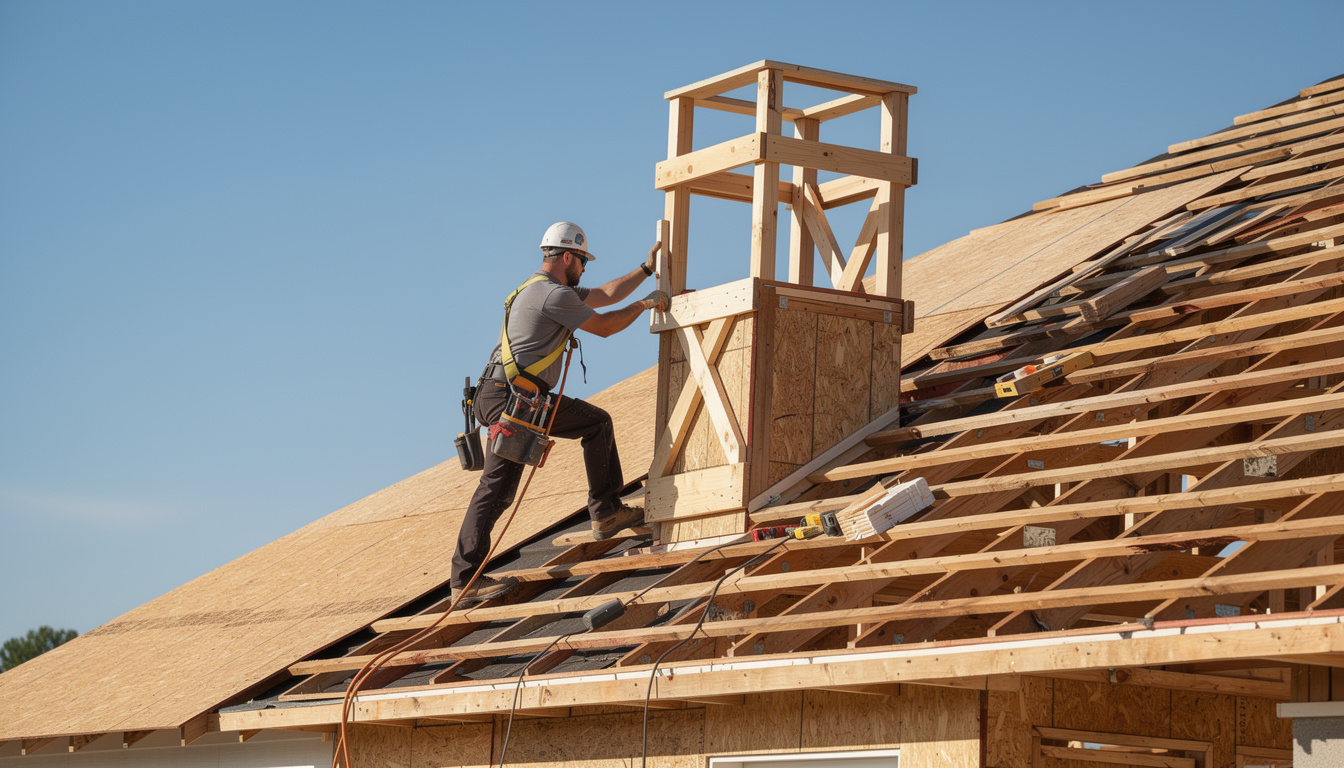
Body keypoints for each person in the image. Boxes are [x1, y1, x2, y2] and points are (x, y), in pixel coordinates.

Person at [451, 221, 670, 605]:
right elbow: (603, 326)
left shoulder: (542, 290)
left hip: (508, 395)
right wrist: (645, 304)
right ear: (567, 256)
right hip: (512, 398)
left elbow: (602, 294)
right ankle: (465, 580)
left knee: (502, 488)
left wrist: (645, 270)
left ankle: (605, 511)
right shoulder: (552, 295)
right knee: (501, 483)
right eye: (582, 262)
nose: (585, 270)